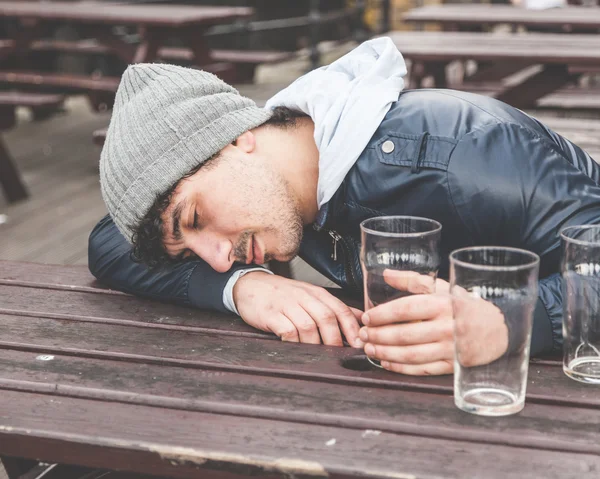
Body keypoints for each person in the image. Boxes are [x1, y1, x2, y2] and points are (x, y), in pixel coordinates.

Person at [89, 38, 600, 376]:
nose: (219, 256)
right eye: (191, 249)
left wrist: (511, 322)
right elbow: (108, 242)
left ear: (235, 140)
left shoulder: (462, 154)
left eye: (195, 219)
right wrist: (243, 287)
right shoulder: (292, 179)